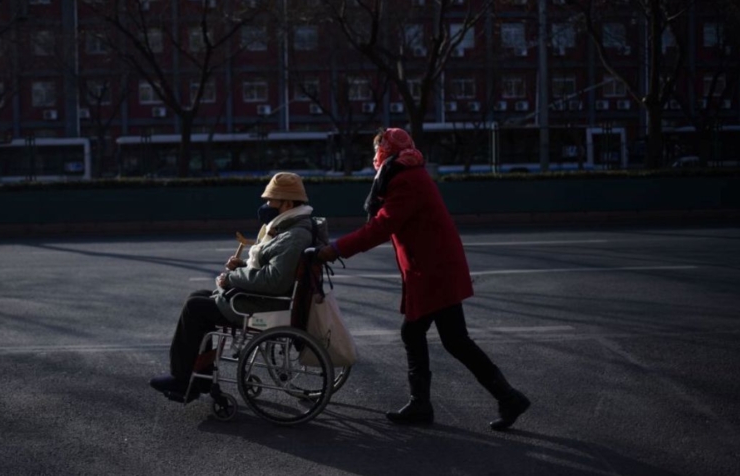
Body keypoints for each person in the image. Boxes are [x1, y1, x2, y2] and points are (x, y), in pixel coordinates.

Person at [314, 128, 530, 431]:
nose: (375, 156)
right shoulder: (406, 174)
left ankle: (434, 403)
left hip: (432, 271)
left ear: (386, 151)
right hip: (432, 268)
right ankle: (499, 398)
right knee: (447, 339)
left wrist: (334, 249)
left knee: (431, 336)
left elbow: (381, 227)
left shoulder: (404, 180)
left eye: (377, 149)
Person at [150, 172, 323, 402]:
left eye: (271, 201)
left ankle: (183, 380)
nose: (266, 206)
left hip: (263, 306)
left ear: (288, 204)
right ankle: (198, 378)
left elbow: (273, 281)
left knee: (195, 307)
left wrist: (233, 278)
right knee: (199, 297)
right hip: (264, 299)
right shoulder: (292, 229)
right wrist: (242, 266)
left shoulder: (294, 235)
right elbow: (274, 272)